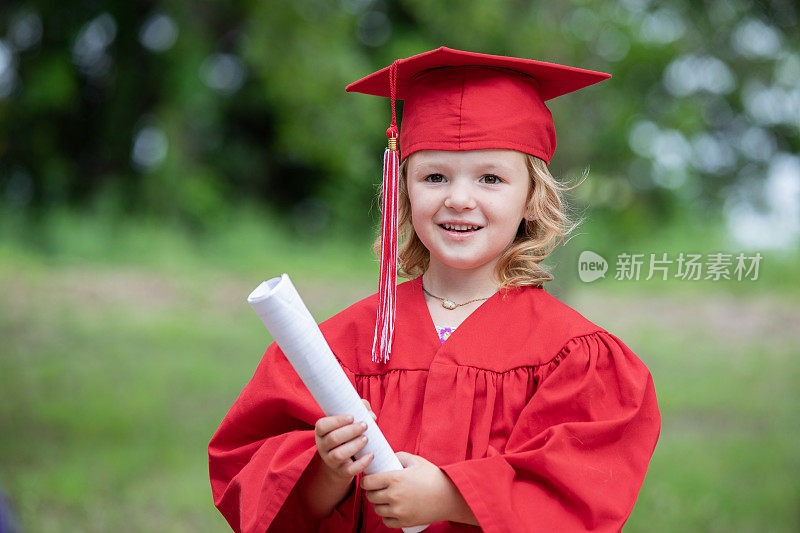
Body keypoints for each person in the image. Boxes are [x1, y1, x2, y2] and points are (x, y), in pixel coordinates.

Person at [208, 47, 660, 532]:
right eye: (434, 176)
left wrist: (451, 497)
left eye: (491, 178)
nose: (459, 199)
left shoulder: (575, 358)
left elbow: (580, 495)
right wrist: (329, 467)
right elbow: (251, 486)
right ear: (403, 189)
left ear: (531, 198)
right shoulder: (337, 348)